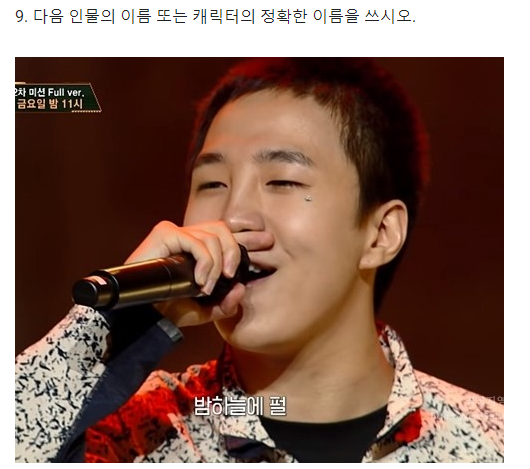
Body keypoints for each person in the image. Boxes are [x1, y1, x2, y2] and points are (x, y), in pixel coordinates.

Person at [15, 58, 503, 463]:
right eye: (212, 184)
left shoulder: (495, 442)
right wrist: (123, 325)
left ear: (380, 233)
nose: (233, 216)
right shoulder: (134, 434)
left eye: (283, 181)